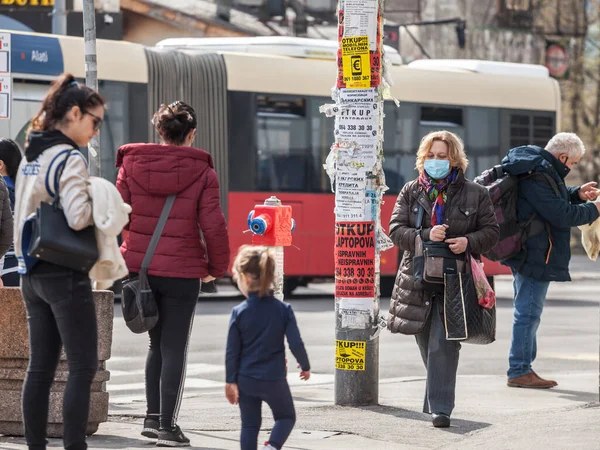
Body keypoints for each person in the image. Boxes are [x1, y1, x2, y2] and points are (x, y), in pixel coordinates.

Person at [116, 101, 230, 447]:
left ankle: (152, 419)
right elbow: (213, 226)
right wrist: (216, 269)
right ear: (191, 134)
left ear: (160, 131)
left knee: (155, 343)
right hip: (182, 272)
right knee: (174, 347)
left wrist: (131, 252)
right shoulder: (203, 172)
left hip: (142, 269)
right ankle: (167, 425)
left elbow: (119, 215)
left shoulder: (131, 165)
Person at [13, 73, 105, 450]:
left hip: (31, 272)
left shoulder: (31, 155)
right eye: (94, 121)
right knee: (84, 365)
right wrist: (105, 203)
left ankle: (36, 447)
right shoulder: (69, 157)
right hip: (64, 270)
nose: (96, 131)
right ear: (73, 113)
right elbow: (79, 216)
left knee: (40, 367)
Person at [387, 130, 499, 428]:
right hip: (418, 278)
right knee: (425, 341)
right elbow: (396, 229)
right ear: (423, 158)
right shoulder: (411, 190)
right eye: (431, 156)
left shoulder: (476, 193)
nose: (436, 161)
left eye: (443, 156)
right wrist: (424, 235)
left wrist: (467, 242)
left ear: (455, 159)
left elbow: (491, 233)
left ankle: (441, 408)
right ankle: (435, 398)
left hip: (456, 280)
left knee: (443, 344)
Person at [501, 133, 600, 388]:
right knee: (528, 314)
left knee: (527, 312)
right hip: (535, 254)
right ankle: (519, 370)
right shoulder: (537, 173)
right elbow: (559, 213)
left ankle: (522, 367)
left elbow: (553, 196)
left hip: (530, 251)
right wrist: (595, 209)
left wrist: (578, 193)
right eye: (573, 163)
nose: (572, 168)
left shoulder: (539, 168)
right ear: (563, 157)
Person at [225, 245, 310, 450]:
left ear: (245, 279)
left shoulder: (239, 312)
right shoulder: (283, 310)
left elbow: (232, 352)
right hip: (274, 378)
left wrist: (230, 382)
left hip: (246, 379)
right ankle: (271, 447)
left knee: (250, 425)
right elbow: (295, 342)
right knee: (286, 416)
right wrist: (305, 365)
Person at [0, 138, 22, 286]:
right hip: (26, 269)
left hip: (4, 270)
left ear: (0, 164)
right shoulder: (27, 190)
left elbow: (6, 235)